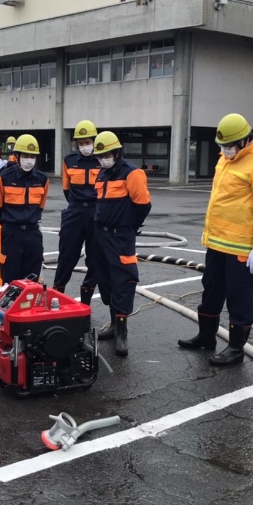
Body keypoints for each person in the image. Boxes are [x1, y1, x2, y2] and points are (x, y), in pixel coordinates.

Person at [178, 114, 253, 366]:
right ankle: (206, 336)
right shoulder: (225, 159)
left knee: (240, 298)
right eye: (222, 146)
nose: (225, 150)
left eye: (230, 145)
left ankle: (236, 348)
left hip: (243, 248)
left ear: (246, 140)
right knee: (211, 291)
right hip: (216, 243)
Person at [92, 131, 151, 357]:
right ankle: (113, 324)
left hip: (120, 237)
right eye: (100, 155)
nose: (103, 158)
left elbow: (143, 206)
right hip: (101, 236)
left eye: (106, 154)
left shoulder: (132, 173)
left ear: (117, 152)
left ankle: (122, 333)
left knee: (123, 281)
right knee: (105, 279)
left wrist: (128, 228)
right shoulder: (102, 175)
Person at [53, 120, 100, 305]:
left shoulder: (102, 160)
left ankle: (85, 301)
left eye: (88, 142)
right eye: (81, 143)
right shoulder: (69, 160)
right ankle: (57, 298)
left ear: (94, 141)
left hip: (97, 212)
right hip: (75, 211)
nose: (85, 146)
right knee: (66, 255)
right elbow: (67, 189)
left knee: (95, 258)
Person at [0, 134, 48, 283]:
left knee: (32, 279)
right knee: (10, 278)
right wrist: (10, 224)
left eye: (32, 156)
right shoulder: (3, 178)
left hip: (33, 233)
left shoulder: (42, 179)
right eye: (25, 155)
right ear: (17, 156)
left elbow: (40, 207)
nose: (29, 159)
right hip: (11, 233)